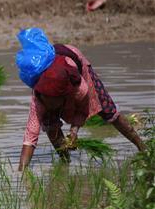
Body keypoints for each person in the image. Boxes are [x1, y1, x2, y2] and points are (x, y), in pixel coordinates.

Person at [14, 28, 144, 170]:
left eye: (53, 103)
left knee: (108, 110)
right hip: (55, 79)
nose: (50, 107)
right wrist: (22, 171)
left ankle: (142, 147)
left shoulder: (80, 90)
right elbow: (30, 137)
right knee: (50, 124)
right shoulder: (39, 99)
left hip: (77, 66)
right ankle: (65, 162)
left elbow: (84, 109)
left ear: (64, 97)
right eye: (47, 102)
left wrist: (74, 130)